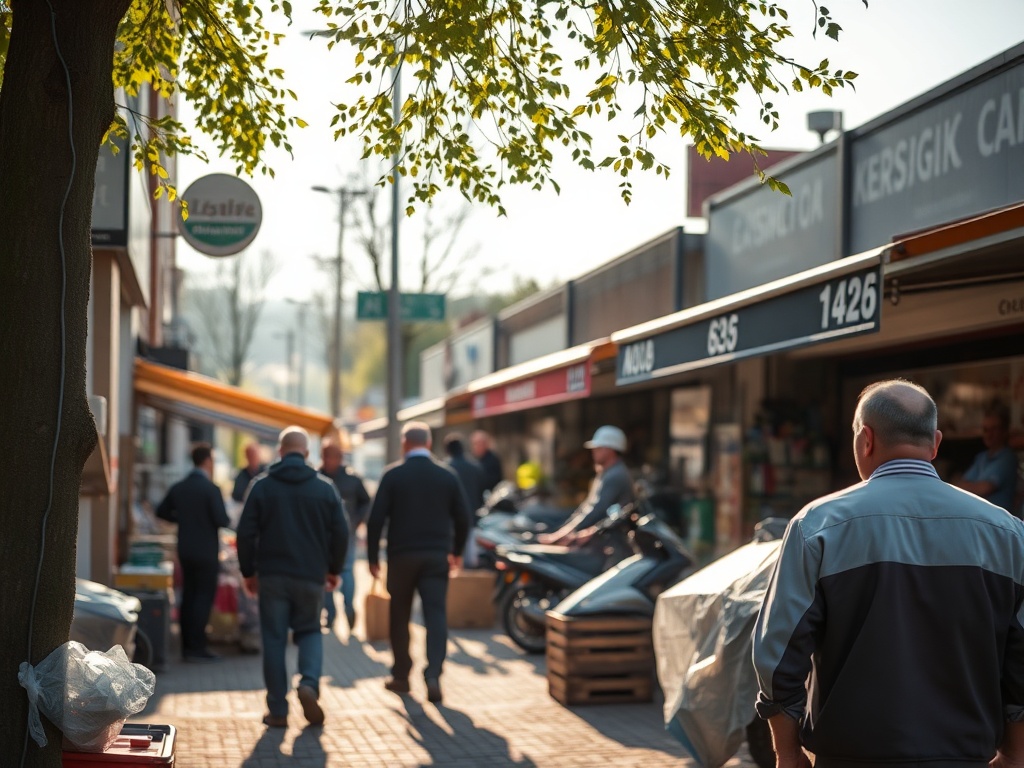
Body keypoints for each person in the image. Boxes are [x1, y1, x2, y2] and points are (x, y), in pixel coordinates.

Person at [752, 379, 1024, 768]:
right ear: (935, 443)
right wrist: (1015, 752)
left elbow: (777, 656)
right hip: (966, 755)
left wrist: (788, 752)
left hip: (848, 757)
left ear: (865, 439)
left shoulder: (817, 526)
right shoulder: (1008, 533)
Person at [236, 426, 348, 728]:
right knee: (310, 630)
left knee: (274, 640)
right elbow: (342, 532)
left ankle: (278, 710)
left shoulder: (261, 486)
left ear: (280, 452)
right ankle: (309, 683)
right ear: (307, 454)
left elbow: (245, 533)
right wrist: (334, 569)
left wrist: (248, 572)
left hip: (272, 577)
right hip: (311, 576)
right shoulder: (324, 488)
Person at [366, 421, 471, 704]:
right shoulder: (447, 476)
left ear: (404, 444)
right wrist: (457, 551)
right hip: (437, 556)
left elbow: (375, 520)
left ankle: (401, 676)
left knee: (399, 615)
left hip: (401, 557)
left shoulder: (392, 475)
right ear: (428, 443)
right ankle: (433, 674)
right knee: (435, 614)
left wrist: (373, 557)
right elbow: (463, 518)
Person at [156, 442, 230, 663]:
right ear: (207, 461)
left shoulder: (180, 487)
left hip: (185, 549)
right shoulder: (211, 489)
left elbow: (162, 511)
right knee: (203, 597)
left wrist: (182, 519)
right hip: (206, 551)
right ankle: (197, 647)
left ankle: (186, 646)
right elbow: (222, 520)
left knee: (188, 595)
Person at [537, 425, 635, 545]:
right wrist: (562, 531)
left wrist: (560, 535)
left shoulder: (616, 475)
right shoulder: (607, 472)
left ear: (610, 450)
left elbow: (596, 511)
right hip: (603, 535)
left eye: (598, 448)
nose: (594, 451)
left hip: (612, 541)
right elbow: (586, 507)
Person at [319, 438, 371, 631]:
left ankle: (349, 608)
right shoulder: (316, 477)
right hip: (322, 536)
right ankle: (329, 613)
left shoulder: (352, 479)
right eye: (325, 456)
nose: (328, 460)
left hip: (346, 534)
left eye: (331, 456)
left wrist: (357, 521)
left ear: (340, 458)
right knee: (324, 574)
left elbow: (366, 502)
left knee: (346, 572)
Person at [954, 402, 1020, 515]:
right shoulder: (982, 457)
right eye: (985, 430)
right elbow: (961, 485)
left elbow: (984, 488)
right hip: (979, 518)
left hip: (999, 523)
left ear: (1004, 432)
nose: (989, 434)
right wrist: (967, 486)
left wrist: (966, 486)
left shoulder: (1008, 458)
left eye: (994, 429)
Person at [444, 432, 487, 568]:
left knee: (451, 562)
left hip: (449, 522)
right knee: (470, 563)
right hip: (471, 519)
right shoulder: (475, 467)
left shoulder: (445, 469)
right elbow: (482, 494)